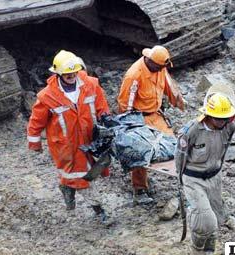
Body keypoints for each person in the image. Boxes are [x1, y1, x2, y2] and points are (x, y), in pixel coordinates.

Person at [27, 50, 111, 223]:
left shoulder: (91, 84)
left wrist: (107, 124)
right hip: (66, 145)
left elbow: (102, 107)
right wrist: (34, 142)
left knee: (89, 171)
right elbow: (36, 121)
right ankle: (99, 210)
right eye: (67, 73)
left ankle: (66, 187)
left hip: (91, 140)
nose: (71, 75)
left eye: (74, 72)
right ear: (58, 73)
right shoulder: (47, 96)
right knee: (82, 178)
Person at [117, 45, 185, 205]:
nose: (162, 70)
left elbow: (169, 86)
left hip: (156, 114)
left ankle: (185, 183)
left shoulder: (160, 69)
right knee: (140, 153)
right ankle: (139, 189)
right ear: (150, 62)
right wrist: (129, 127)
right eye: (160, 67)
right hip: (139, 118)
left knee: (174, 147)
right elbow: (125, 103)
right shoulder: (134, 75)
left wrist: (178, 99)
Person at [175, 92, 235, 255]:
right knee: (204, 221)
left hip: (214, 177)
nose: (223, 122)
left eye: (226, 118)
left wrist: (217, 171)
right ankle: (196, 250)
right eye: (219, 119)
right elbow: (179, 158)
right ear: (208, 115)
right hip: (194, 178)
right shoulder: (191, 132)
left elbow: (224, 151)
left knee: (216, 219)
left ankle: (209, 250)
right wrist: (181, 183)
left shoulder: (229, 127)